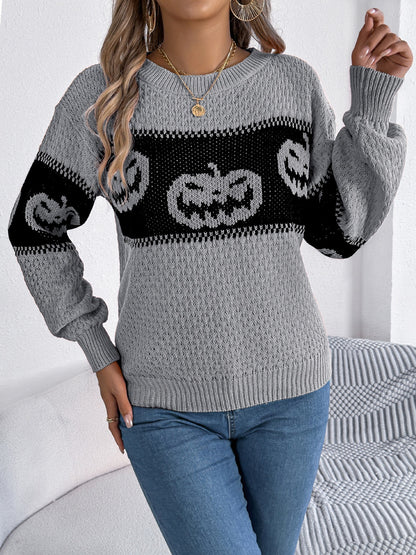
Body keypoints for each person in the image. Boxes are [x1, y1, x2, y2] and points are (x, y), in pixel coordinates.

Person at [7, 1, 412, 553]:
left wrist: (371, 103)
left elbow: (338, 233)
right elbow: (35, 228)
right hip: (163, 410)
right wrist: (97, 351)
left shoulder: (291, 84)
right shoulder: (101, 97)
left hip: (292, 398)